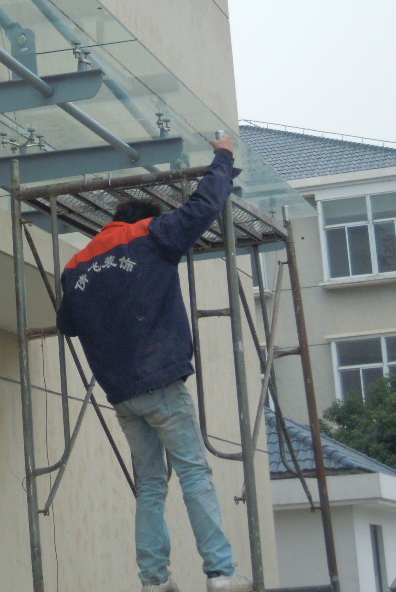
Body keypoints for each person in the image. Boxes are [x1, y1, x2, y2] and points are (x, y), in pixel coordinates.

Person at [55, 135, 253, 592]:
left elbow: (67, 323)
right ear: (147, 219)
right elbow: (203, 205)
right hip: (160, 381)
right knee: (194, 472)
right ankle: (221, 573)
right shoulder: (152, 236)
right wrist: (222, 155)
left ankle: (153, 581)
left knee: (150, 486)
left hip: (122, 394)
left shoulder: (76, 265)